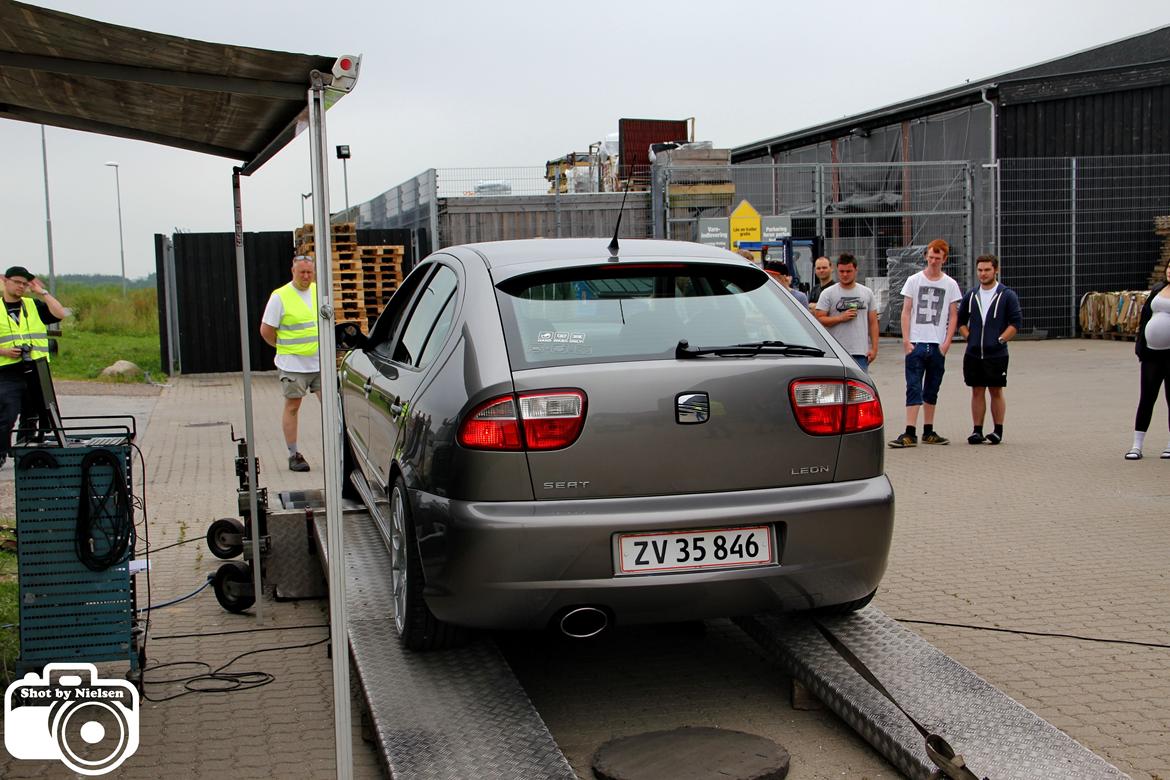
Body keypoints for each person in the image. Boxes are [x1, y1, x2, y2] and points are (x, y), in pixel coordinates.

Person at [889, 239, 962, 448]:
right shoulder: (914, 280)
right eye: (930, 257)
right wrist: (906, 340)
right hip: (917, 341)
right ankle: (909, 431)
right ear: (925, 257)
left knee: (932, 386)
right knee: (913, 385)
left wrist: (947, 342)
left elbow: (953, 315)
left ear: (944, 260)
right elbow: (906, 310)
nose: (933, 261)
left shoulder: (950, 284)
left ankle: (928, 430)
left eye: (937, 258)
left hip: (937, 343)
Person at [260, 255, 320, 472]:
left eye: (309, 272)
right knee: (293, 406)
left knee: (334, 406)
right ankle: (293, 454)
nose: (306, 276)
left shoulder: (318, 292)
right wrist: (284, 347)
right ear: (292, 271)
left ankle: (339, 448)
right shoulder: (280, 297)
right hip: (293, 364)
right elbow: (266, 331)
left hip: (319, 362)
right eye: (301, 272)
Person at [0, 267, 68, 455]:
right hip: (8, 370)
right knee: (7, 413)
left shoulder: (33, 306)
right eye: (17, 282)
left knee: (33, 415)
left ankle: (24, 453)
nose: (21, 286)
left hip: (36, 368)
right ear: (6, 281)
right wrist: (4, 351)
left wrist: (43, 293)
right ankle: (1, 453)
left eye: (25, 283)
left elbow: (60, 314)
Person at [957, 255, 1022, 445]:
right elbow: (961, 321)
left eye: (987, 270)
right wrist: (969, 336)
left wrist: (1000, 339)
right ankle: (977, 430)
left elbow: (1016, 323)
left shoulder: (1007, 295)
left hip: (997, 354)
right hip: (974, 353)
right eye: (980, 270)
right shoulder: (971, 295)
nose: (983, 274)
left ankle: (997, 431)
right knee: (977, 390)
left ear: (996, 270)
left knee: (995, 390)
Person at [1125, 262, 1170, 460]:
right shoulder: (1158, 290)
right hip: (1152, 354)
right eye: (1169, 267)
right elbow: (1146, 318)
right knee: (1146, 398)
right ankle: (1137, 445)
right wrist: (1140, 345)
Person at [814, 253, 879, 371]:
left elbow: (873, 322)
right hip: (835, 352)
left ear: (856, 270)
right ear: (837, 270)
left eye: (848, 271)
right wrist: (840, 318)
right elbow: (820, 319)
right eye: (841, 271)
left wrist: (874, 348)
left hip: (859, 353)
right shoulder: (828, 293)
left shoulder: (867, 293)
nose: (844, 275)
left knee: (858, 388)